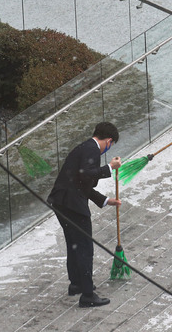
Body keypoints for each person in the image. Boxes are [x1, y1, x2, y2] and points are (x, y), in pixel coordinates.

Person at [47, 122, 122, 308]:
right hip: (72, 204)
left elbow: (82, 182)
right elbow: (86, 175)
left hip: (62, 202)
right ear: (109, 141)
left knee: (74, 244)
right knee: (84, 247)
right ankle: (88, 294)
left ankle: (77, 283)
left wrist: (105, 200)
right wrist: (110, 168)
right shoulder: (92, 150)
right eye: (111, 144)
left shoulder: (85, 148)